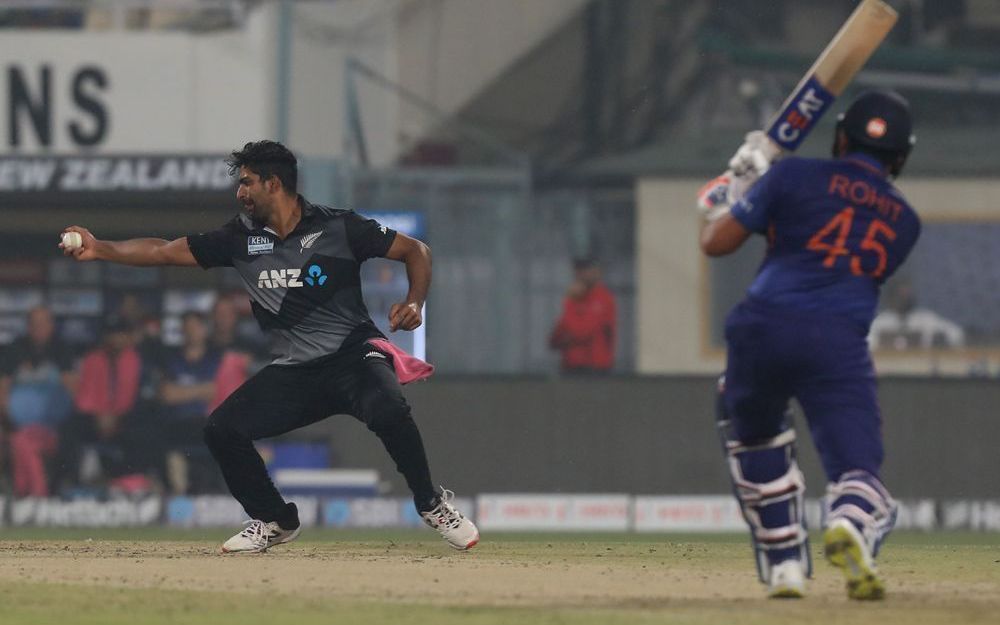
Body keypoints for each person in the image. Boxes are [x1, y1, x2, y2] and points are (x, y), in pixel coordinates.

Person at [60, 140, 478, 553]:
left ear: (273, 184)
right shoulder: (239, 238)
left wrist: (414, 302)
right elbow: (165, 251)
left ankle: (432, 505)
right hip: (295, 370)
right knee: (222, 430)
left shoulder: (339, 226)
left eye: (246, 183)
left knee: (390, 409)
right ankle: (275, 519)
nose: (239, 193)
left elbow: (415, 251)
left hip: (354, 356)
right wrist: (101, 248)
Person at [697, 90, 920, 600]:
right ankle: (850, 522)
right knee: (858, 468)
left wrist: (745, 184)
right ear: (902, 158)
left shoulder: (793, 176)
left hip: (761, 326)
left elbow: (715, 241)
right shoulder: (906, 223)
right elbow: (837, 238)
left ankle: (784, 567)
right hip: (835, 340)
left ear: (840, 137)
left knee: (754, 436)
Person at [55, 316, 144, 493]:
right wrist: (99, 416)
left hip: (123, 418)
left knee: (143, 426)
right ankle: (69, 481)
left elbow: (133, 396)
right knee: (69, 427)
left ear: (127, 337)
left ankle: (131, 480)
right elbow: (84, 397)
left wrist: (115, 417)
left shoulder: (135, 360)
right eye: (111, 335)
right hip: (96, 418)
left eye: (119, 334)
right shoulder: (93, 359)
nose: (114, 339)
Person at [0, 306, 76, 497]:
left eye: (44, 323)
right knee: (21, 441)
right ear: (28, 326)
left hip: (53, 426)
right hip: (16, 424)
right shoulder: (15, 349)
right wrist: (10, 420)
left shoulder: (62, 349)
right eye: (34, 324)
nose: (39, 328)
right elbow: (3, 388)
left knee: (22, 442)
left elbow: (72, 391)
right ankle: (33, 496)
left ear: (51, 326)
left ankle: (30, 496)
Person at [158, 311, 223, 495]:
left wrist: (183, 392)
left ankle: (222, 492)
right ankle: (178, 495)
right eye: (187, 328)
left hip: (210, 422)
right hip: (179, 424)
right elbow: (167, 394)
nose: (191, 332)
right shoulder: (172, 360)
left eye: (195, 327)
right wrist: (201, 390)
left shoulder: (216, 359)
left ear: (204, 330)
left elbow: (217, 391)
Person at [548, 258, 617, 374]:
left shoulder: (602, 298)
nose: (581, 275)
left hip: (595, 368)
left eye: (585, 270)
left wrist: (569, 302)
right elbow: (555, 339)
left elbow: (582, 332)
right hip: (571, 366)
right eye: (578, 271)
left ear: (597, 272)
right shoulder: (577, 298)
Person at [868, 280, 965, 350]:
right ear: (891, 296)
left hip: (921, 369)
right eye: (900, 295)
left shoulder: (926, 318)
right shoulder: (879, 322)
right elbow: (867, 346)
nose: (903, 299)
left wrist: (940, 341)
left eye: (906, 295)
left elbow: (956, 333)